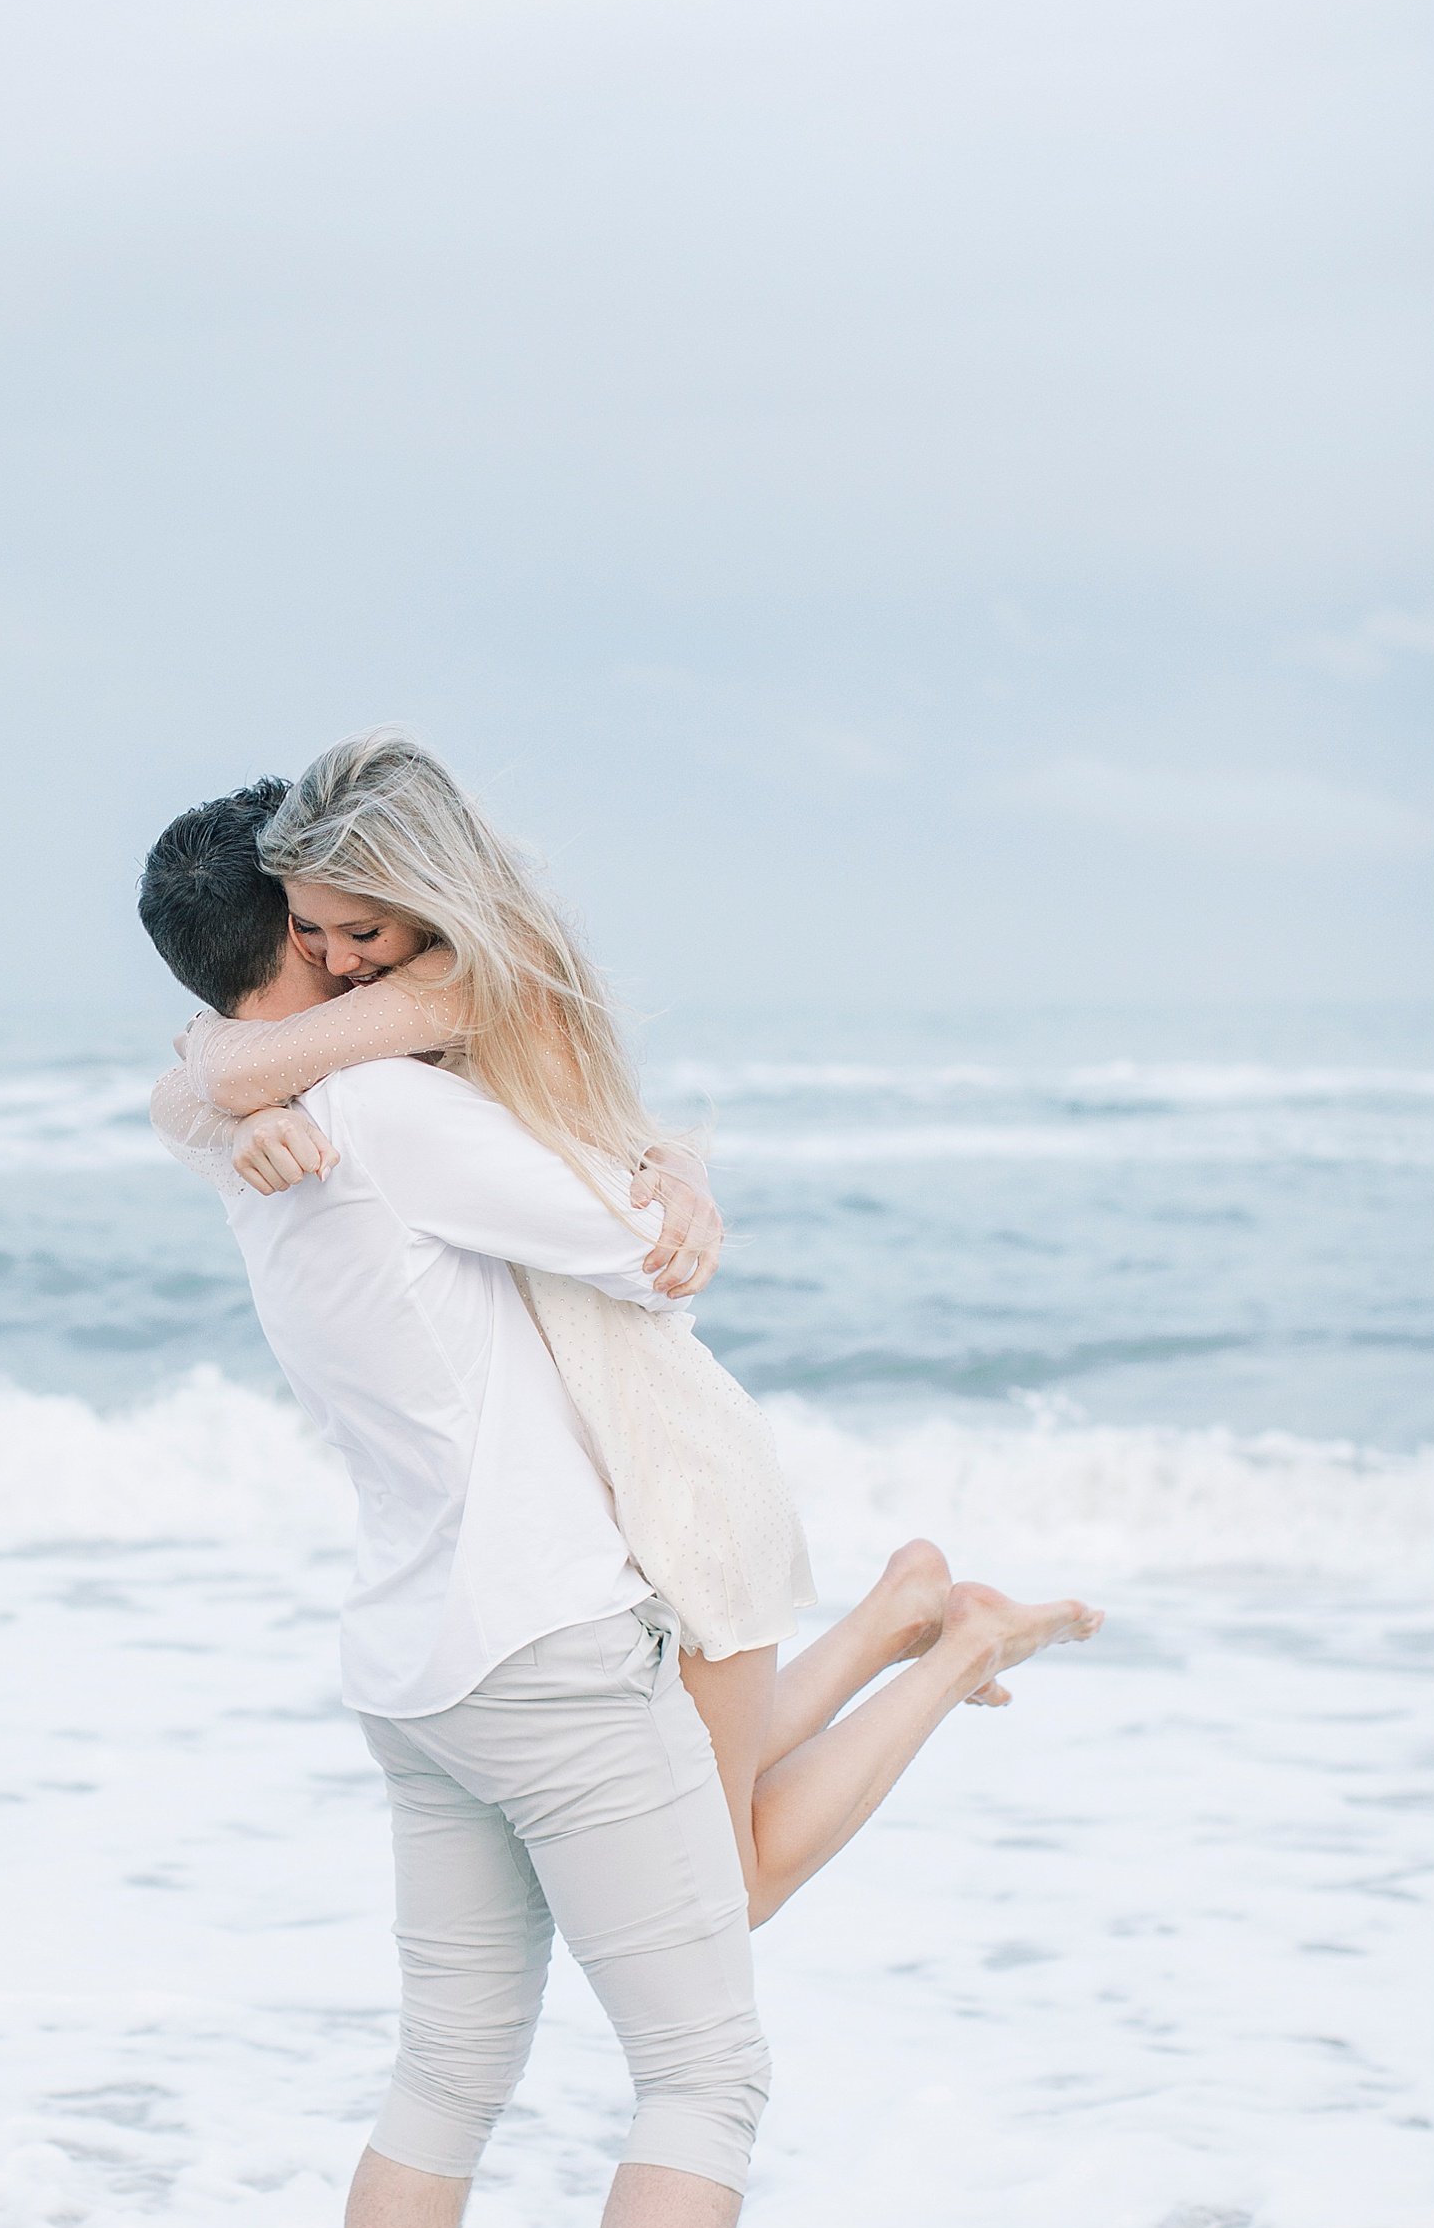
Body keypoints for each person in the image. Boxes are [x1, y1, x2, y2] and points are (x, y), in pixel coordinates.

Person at [138, 742, 1098, 2228]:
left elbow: (290, 1108)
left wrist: (268, 1071)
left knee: (445, 2077)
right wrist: (660, 1165)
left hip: (412, 1665)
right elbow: (631, 1251)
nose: (352, 962)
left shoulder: (263, 1133)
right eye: (329, 937)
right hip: (547, 1653)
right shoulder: (378, 1109)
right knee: (704, 2070)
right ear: (303, 952)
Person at [156, 738, 1101, 1928]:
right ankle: (899, 1615)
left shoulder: (450, 992)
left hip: (669, 1461)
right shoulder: (401, 1011)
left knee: (722, 1885)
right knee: (713, 1814)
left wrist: (231, 1091)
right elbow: (227, 1080)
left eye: (356, 931)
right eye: (312, 932)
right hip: (614, 1457)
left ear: (422, 896)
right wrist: (236, 1105)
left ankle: (958, 1644)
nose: (337, 961)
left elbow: (239, 1071)